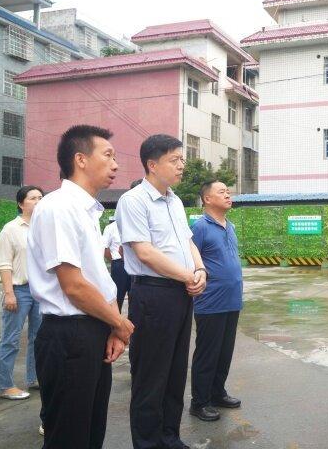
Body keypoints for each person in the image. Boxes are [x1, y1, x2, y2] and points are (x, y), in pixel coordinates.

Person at [28, 125, 134, 449]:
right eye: (108, 155)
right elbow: (73, 286)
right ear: (81, 159)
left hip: (92, 329)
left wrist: (112, 327)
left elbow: (99, 279)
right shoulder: (58, 207)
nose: (115, 164)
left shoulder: (86, 211)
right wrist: (120, 323)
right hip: (69, 336)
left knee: (91, 432)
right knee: (69, 437)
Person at [115, 134, 206, 449]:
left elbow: (188, 241)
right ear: (152, 164)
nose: (181, 166)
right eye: (174, 160)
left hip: (181, 293)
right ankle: (148, 443)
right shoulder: (134, 201)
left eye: (182, 159)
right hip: (153, 295)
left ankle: (170, 437)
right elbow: (144, 252)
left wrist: (200, 270)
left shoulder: (175, 201)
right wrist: (188, 276)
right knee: (151, 376)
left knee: (175, 372)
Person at [189, 181, 243, 422]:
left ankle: (217, 393)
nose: (228, 195)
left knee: (224, 352)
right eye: (222, 192)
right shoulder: (200, 227)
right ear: (207, 199)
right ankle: (199, 402)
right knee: (207, 354)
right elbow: (191, 260)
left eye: (228, 191)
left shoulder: (230, 226)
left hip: (232, 300)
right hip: (210, 302)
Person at [0, 185, 44, 401]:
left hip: (39, 291)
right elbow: (4, 264)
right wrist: (9, 293)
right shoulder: (10, 229)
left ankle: (35, 377)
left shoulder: (43, 228)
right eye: (33, 198)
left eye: (40, 197)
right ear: (21, 204)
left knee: (39, 337)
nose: (38, 201)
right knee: (11, 339)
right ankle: (5, 385)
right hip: (19, 290)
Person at [103, 215, 131, 311]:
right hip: (119, 264)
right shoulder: (111, 227)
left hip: (133, 265)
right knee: (117, 296)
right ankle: (115, 318)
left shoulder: (133, 224)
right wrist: (115, 261)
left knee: (134, 297)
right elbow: (105, 249)